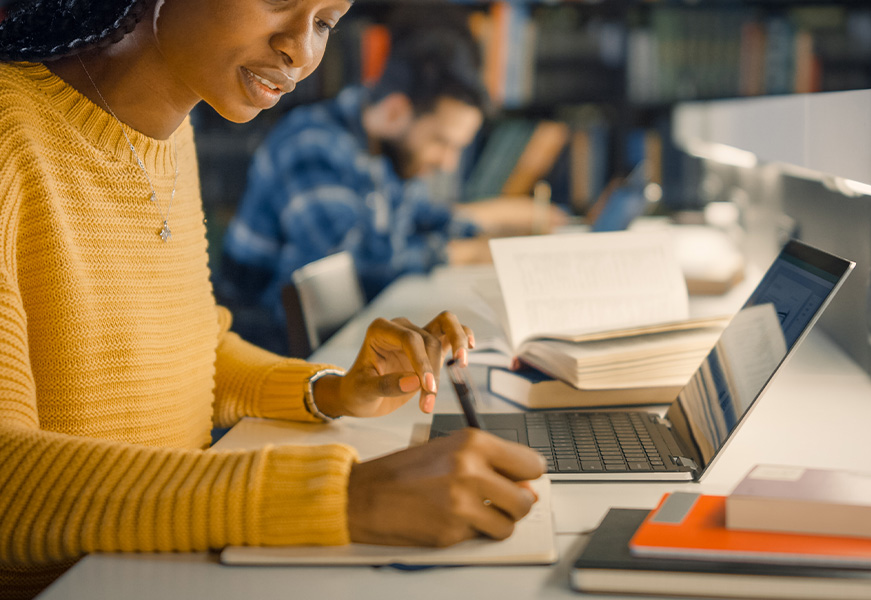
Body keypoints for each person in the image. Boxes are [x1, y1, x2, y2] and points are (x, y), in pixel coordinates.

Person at [0, 1, 545, 598]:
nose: (302, 52)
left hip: (165, 563)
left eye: (324, 23)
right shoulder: (11, 135)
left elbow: (191, 346)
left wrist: (332, 388)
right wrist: (341, 497)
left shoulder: (171, 132)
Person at [219, 17, 567, 354]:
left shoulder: (384, 148)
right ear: (397, 111)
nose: (448, 162)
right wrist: (464, 253)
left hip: (337, 341)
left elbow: (417, 217)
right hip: (261, 349)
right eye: (442, 142)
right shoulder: (311, 146)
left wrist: (499, 221)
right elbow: (350, 267)